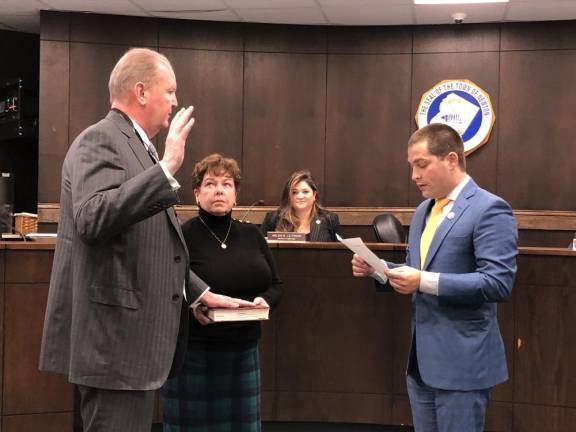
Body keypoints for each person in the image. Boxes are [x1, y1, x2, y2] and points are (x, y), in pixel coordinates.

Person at [39, 48, 250, 432]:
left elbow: (156, 247)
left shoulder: (137, 146)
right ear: (140, 91)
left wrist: (198, 294)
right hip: (114, 345)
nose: (174, 102)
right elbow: (93, 217)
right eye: (169, 91)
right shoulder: (100, 140)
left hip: (132, 348)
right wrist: (167, 168)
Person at [351, 123, 518, 432]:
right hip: (421, 362)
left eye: (421, 164)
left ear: (451, 160)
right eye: (411, 166)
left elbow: (498, 282)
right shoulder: (423, 211)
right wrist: (377, 268)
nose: (414, 175)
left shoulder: (490, 209)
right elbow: (414, 267)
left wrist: (423, 281)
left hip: (463, 363)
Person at [162, 153, 282, 431]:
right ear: (196, 193)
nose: (219, 190)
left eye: (227, 184)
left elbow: (277, 285)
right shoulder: (182, 235)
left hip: (243, 352)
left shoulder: (252, 235)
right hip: (194, 353)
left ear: (236, 195)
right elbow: (167, 284)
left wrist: (266, 302)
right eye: (210, 184)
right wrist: (192, 305)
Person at [260, 170, 341, 241]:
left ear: (314, 195)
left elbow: (341, 252)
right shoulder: (273, 218)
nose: (300, 196)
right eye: (294, 192)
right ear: (289, 196)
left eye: (305, 192)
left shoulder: (330, 219)